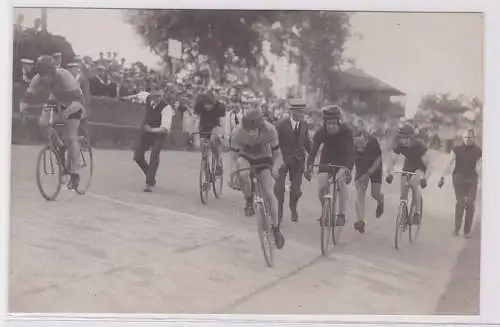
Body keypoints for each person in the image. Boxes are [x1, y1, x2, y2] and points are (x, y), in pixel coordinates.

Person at [19, 55, 86, 189]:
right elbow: (29, 92)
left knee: (71, 136)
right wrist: (23, 105)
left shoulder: (64, 76)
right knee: (43, 123)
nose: (43, 78)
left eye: (46, 74)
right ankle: (60, 146)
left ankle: (74, 173)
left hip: (75, 102)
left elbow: (75, 97)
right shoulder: (39, 77)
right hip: (56, 101)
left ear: (53, 70)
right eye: (41, 74)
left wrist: (63, 113)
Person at [229, 107, 285, 249]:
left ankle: (276, 228)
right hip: (245, 157)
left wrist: (275, 169)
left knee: (269, 193)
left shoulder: (270, 130)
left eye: (254, 130)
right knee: (242, 174)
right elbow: (233, 157)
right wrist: (232, 173)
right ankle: (248, 200)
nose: (251, 133)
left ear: (261, 126)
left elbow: (278, 154)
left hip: (264, 159)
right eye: (248, 130)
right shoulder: (237, 132)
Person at [305, 105, 355, 227]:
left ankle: (342, 214)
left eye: (333, 123)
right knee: (322, 187)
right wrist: (308, 167)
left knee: (341, 182)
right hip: (327, 158)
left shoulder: (346, 131)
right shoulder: (321, 132)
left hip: (343, 159)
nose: (331, 126)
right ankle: (326, 211)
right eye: (328, 124)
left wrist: (347, 169)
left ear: (339, 122)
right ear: (324, 122)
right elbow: (313, 152)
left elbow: (351, 153)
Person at [274, 98, 312, 224]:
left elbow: (307, 142)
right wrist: (276, 159)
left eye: (304, 112)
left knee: (296, 191)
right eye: (301, 112)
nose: (303, 114)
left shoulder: (304, 125)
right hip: (283, 160)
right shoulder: (280, 125)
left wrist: (313, 154)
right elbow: (274, 144)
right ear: (293, 112)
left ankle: (293, 206)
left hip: (298, 161)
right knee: (279, 188)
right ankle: (278, 213)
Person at [385, 123, 431, 225]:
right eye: (402, 138)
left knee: (414, 182)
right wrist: (389, 174)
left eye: (407, 138)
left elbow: (429, 165)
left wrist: (425, 179)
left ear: (412, 137)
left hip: (420, 167)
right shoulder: (400, 145)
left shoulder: (419, 146)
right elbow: (392, 160)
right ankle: (404, 214)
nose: (404, 140)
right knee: (403, 193)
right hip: (408, 165)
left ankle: (417, 213)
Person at [438, 129, 481, 238]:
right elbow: (449, 163)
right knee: (461, 202)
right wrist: (442, 176)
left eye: (469, 137)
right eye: (465, 137)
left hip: (472, 178)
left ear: (473, 138)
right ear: (463, 138)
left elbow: (481, 167)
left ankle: (467, 230)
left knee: (470, 203)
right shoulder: (456, 150)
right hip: (459, 178)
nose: (467, 139)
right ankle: (457, 228)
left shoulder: (478, 151)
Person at [133, 89, 174, 193]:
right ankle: (150, 175)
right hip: (146, 132)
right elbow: (137, 95)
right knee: (137, 156)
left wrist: (152, 130)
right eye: (155, 96)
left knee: (154, 154)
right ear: (151, 95)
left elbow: (165, 128)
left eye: (159, 96)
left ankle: (149, 183)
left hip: (158, 134)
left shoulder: (166, 108)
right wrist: (126, 98)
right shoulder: (146, 98)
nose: (157, 98)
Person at [353, 127, 384, 234]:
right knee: (360, 192)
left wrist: (369, 173)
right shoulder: (351, 143)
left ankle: (380, 200)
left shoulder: (373, 141)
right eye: (357, 145)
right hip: (361, 166)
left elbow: (379, 159)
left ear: (367, 140)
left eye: (362, 145)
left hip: (375, 167)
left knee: (374, 194)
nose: (359, 148)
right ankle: (361, 221)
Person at [193, 91, 226, 175]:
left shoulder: (219, 107)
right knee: (203, 150)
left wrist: (222, 134)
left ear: (214, 103)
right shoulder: (199, 106)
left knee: (212, 140)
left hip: (215, 126)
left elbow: (222, 122)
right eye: (206, 104)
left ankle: (218, 164)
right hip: (204, 126)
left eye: (210, 104)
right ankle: (207, 174)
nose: (207, 106)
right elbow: (197, 120)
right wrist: (195, 132)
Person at [67, 61, 92, 143]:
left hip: (80, 104)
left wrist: (85, 106)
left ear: (77, 69)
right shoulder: (68, 79)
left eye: (73, 69)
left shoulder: (82, 80)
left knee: (82, 125)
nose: (71, 71)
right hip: (69, 105)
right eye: (70, 69)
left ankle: (86, 142)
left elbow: (86, 94)